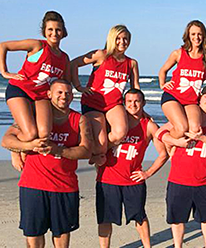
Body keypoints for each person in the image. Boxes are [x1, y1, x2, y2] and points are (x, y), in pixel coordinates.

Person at [1, 79, 92, 248]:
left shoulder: (79, 119)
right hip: (33, 185)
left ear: (72, 96)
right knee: (34, 236)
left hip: (65, 186)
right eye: (59, 92)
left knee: (62, 235)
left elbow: (86, 150)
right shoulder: (34, 116)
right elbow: (6, 140)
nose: (63, 96)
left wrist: (58, 150)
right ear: (49, 94)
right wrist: (27, 146)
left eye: (67, 93)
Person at [95, 89, 169, 248]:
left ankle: (147, 246)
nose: (133, 105)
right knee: (105, 218)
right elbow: (96, 144)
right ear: (123, 103)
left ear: (143, 103)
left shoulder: (149, 126)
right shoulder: (114, 123)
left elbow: (164, 153)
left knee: (140, 217)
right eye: (129, 101)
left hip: (133, 181)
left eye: (137, 101)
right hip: (108, 179)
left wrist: (148, 173)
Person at [157, 85, 206, 248]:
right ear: (199, 99)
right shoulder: (185, 119)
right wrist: (176, 142)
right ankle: (178, 245)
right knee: (177, 219)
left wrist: (202, 137)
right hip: (179, 180)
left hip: (205, 181)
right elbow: (160, 133)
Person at [0, 11, 70, 170]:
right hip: (20, 90)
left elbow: (63, 83)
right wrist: (4, 72)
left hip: (41, 96)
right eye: (50, 29)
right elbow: (3, 46)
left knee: (44, 134)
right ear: (44, 31)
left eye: (58, 30)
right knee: (31, 134)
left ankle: (23, 144)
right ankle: (13, 146)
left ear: (63, 32)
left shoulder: (64, 58)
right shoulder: (38, 45)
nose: (54, 33)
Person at [70, 24, 140, 165]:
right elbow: (73, 64)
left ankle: (96, 150)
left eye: (125, 39)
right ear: (111, 39)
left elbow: (135, 88)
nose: (122, 42)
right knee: (101, 144)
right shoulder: (101, 55)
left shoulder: (131, 63)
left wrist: (141, 110)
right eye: (118, 38)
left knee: (120, 133)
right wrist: (78, 86)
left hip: (114, 104)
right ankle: (95, 148)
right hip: (93, 103)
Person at [158, 20, 206, 140]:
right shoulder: (178, 53)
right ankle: (167, 140)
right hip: (173, 96)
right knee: (182, 128)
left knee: (195, 129)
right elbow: (163, 71)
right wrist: (163, 84)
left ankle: (174, 143)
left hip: (191, 101)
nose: (196, 37)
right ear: (188, 35)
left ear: (204, 36)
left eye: (199, 34)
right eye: (193, 34)